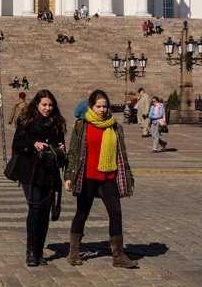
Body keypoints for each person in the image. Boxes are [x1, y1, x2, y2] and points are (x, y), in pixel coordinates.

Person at [63, 89, 137, 269]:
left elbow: (122, 154)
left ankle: (118, 255)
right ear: (91, 106)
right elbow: (73, 152)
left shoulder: (114, 126)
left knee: (116, 213)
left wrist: (127, 175)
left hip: (108, 177)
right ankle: (73, 252)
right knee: (82, 212)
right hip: (87, 177)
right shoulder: (82, 125)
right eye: (98, 106)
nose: (102, 110)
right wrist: (68, 176)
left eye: (105, 106)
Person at [10, 89, 67, 267]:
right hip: (30, 172)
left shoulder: (57, 123)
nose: (47, 108)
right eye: (44, 104)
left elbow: (60, 147)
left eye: (50, 105)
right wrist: (33, 144)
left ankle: (39, 251)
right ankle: (31, 252)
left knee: (44, 213)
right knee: (35, 209)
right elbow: (17, 144)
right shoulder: (27, 121)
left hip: (49, 173)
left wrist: (61, 148)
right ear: (37, 104)